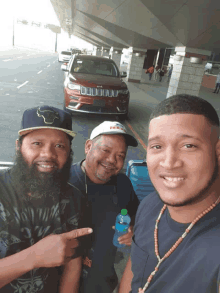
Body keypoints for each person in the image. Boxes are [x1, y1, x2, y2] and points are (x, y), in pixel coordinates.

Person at [119, 94, 220, 293]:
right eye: (157, 146)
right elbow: (134, 270)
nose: (169, 162)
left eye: (188, 146)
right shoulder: (150, 204)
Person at [0, 105, 92, 293]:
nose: (48, 155)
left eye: (59, 146)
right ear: (19, 146)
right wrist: (34, 257)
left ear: (69, 152)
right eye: (37, 143)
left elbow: (72, 267)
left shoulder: (75, 199)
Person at [68, 121, 140, 293]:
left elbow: (139, 219)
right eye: (106, 150)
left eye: (120, 155)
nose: (111, 160)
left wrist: (133, 232)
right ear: (88, 146)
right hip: (62, 280)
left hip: (102, 281)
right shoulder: (64, 182)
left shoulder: (122, 184)